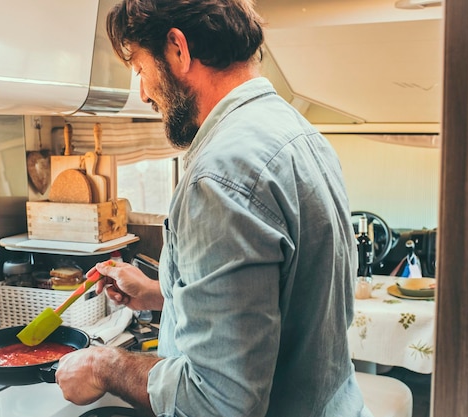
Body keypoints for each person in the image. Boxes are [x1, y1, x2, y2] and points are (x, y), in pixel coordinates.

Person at [55, 1, 372, 416]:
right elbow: (285, 303)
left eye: (139, 69)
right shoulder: (301, 134)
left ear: (177, 49)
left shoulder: (220, 177)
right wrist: (158, 294)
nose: (144, 92)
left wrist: (106, 364)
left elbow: (220, 402)